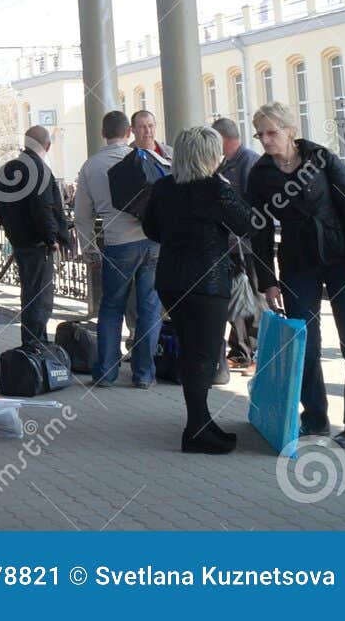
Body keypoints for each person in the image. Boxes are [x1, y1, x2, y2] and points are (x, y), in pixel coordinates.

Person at [246, 102, 345, 448]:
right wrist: (266, 279)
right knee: (306, 345)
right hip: (297, 261)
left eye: (272, 132)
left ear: (290, 130)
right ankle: (314, 420)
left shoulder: (322, 159)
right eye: (260, 134)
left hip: (341, 256)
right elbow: (260, 230)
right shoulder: (261, 174)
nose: (266, 140)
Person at [143, 126, 256, 453]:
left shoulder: (164, 187)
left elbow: (151, 228)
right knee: (202, 357)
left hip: (171, 281)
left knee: (193, 351)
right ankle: (195, 431)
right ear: (208, 156)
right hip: (207, 283)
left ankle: (202, 422)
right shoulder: (215, 189)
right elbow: (246, 222)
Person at [74, 109, 162, 388]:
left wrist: (89, 251)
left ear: (103, 133)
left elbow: (82, 216)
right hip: (152, 243)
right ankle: (144, 374)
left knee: (112, 307)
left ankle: (107, 373)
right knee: (149, 306)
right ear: (129, 133)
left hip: (118, 245)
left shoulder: (91, 166)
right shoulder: (146, 158)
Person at [0, 125, 73, 347]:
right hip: (38, 245)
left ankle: (31, 347)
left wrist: (8, 223)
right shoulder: (40, 170)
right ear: (48, 146)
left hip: (20, 242)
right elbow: (43, 208)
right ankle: (36, 347)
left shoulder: (11, 167)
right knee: (40, 299)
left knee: (29, 295)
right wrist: (51, 238)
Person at [212, 117, 262, 368]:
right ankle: (240, 350)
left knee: (248, 297)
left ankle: (248, 352)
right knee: (238, 296)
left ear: (223, 139)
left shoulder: (248, 162)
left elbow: (253, 207)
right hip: (233, 244)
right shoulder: (229, 163)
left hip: (245, 245)